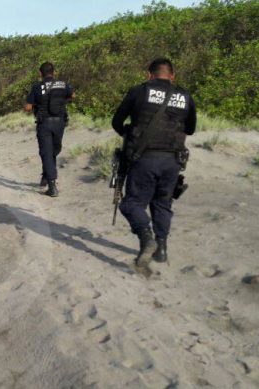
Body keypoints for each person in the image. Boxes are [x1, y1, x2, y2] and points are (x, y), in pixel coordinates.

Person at [112, 58, 196, 273]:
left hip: (144, 158)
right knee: (162, 202)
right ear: (172, 75)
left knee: (131, 204)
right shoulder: (185, 96)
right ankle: (162, 249)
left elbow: (117, 121)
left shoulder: (139, 91)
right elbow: (191, 129)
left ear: (149, 74)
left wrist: (130, 137)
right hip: (173, 160)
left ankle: (147, 238)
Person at [25, 62, 74, 197]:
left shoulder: (37, 87)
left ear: (40, 73)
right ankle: (46, 176)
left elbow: (28, 108)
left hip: (44, 124)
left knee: (46, 152)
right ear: (54, 72)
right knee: (53, 150)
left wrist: (35, 106)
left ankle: (52, 186)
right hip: (60, 123)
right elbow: (72, 96)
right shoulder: (63, 84)